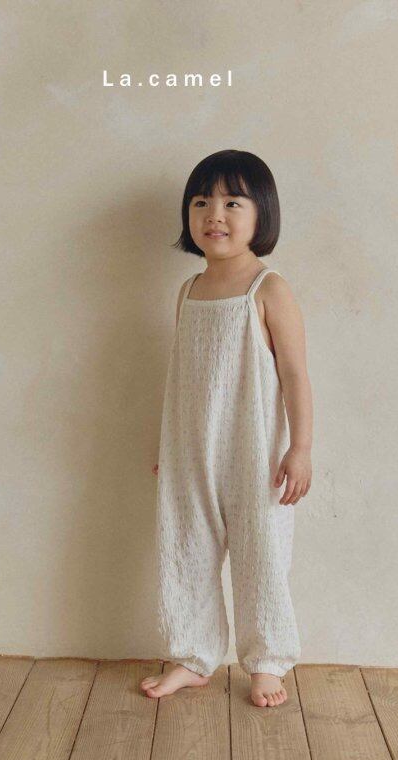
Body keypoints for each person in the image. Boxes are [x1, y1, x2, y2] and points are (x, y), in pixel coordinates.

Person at [140, 149, 313, 707]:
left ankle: (266, 662)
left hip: (255, 451)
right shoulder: (188, 291)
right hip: (191, 449)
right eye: (201, 202)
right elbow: (182, 377)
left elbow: (294, 373)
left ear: (262, 213)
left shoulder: (268, 289)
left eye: (232, 202)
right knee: (187, 549)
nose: (214, 214)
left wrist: (300, 448)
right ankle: (192, 656)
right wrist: (169, 447)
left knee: (262, 555)